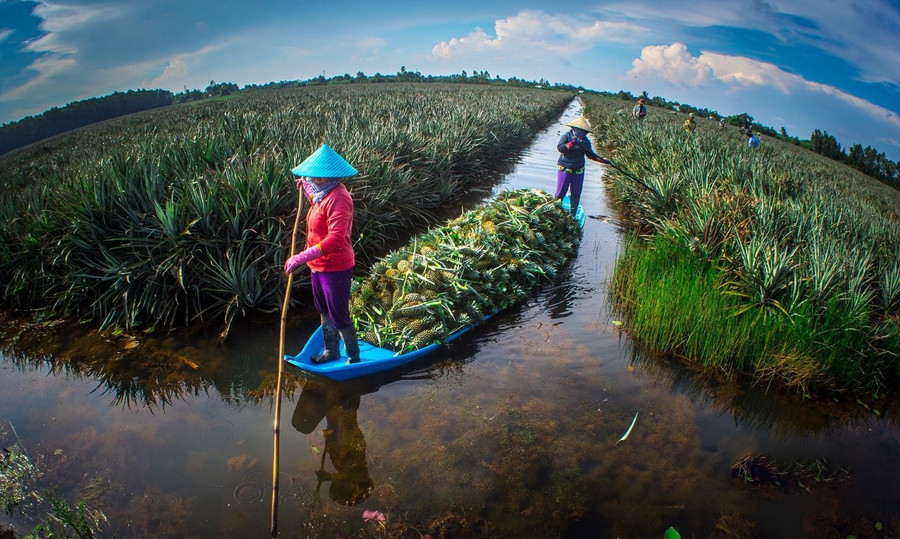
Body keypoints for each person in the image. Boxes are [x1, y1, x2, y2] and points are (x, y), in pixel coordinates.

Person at [284, 144, 361, 364]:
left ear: (330, 176)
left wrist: (301, 256)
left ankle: (353, 357)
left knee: (338, 313)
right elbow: (319, 206)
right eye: (312, 176)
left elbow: (336, 239)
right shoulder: (322, 193)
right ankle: (332, 351)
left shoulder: (339, 197)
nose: (313, 179)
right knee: (324, 309)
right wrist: (308, 190)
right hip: (318, 265)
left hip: (335, 265)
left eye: (317, 177)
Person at [556, 115, 610, 215]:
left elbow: (591, 155)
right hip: (565, 168)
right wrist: (569, 145)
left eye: (584, 131)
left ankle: (572, 215)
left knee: (576, 194)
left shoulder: (585, 141)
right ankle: (555, 212)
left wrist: (602, 160)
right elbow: (560, 148)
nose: (582, 133)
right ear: (574, 129)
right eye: (580, 130)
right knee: (560, 193)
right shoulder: (567, 136)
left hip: (578, 171)